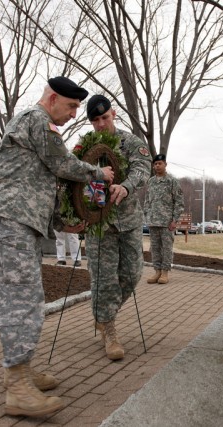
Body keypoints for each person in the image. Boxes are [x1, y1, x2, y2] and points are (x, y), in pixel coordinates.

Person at [0, 77, 114, 418]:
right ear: (52, 98)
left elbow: (43, 181)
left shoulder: (37, 128)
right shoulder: (37, 121)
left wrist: (63, 224)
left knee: (26, 299)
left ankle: (21, 372)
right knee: (21, 302)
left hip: (16, 222)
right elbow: (63, 165)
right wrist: (99, 174)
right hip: (8, 222)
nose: (72, 115)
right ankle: (17, 386)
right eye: (70, 107)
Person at [85, 94, 151, 360]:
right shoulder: (85, 148)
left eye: (104, 117)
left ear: (113, 115)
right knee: (103, 278)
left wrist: (125, 186)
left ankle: (102, 314)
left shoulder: (131, 142)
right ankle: (108, 330)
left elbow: (142, 169)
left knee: (133, 273)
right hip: (99, 225)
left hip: (128, 221)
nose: (101, 124)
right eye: (95, 120)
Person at [145, 154, 184, 284]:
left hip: (166, 222)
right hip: (153, 221)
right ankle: (157, 272)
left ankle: (165, 273)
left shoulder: (172, 181)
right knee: (155, 248)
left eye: (159, 163)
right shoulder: (151, 181)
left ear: (165, 165)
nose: (157, 166)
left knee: (166, 248)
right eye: (155, 164)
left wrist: (174, 220)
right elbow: (147, 200)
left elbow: (179, 202)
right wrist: (147, 214)